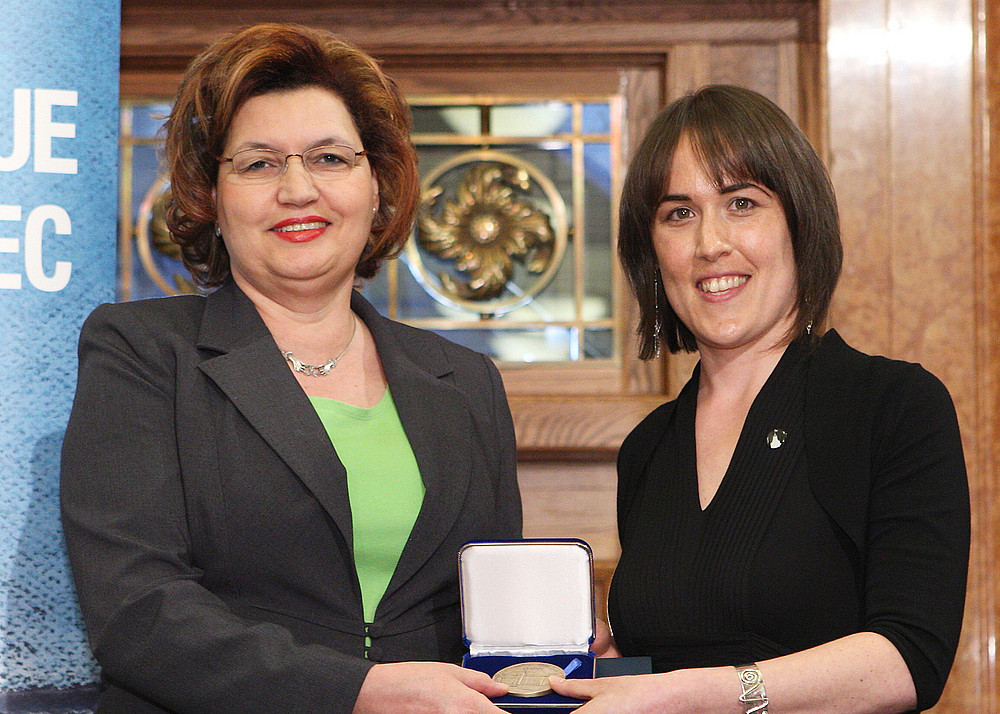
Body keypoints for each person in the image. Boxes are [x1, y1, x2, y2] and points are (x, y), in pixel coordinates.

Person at [60, 23, 521, 714]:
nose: (298, 189)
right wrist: (356, 693)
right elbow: (138, 609)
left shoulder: (466, 379)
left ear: (376, 185)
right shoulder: (142, 351)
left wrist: (547, 650)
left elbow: (494, 606)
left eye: (330, 158)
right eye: (259, 163)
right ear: (211, 199)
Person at [550, 85, 969, 713]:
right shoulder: (648, 447)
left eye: (741, 203)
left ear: (799, 223)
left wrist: (700, 693)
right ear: (651, 249)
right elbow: (670, 660)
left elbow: (910, 658)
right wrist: (613, 669)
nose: (710, 242)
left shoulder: (894, 406)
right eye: (678, 213)